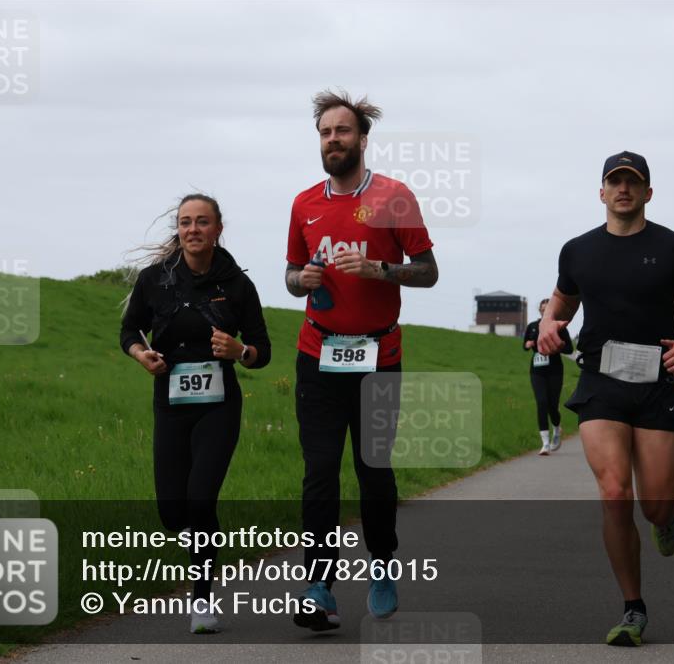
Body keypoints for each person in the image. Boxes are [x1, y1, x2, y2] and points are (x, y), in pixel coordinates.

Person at [537, 151, 674, 647]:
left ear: (647, 192)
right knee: (615, 493)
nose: (623, 189)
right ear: (601, 192)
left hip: (659, 382)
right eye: (614, 182)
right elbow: (563, 302)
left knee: (654, 507)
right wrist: (552, 326)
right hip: (601, 382)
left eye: (632, 182)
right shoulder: (577, 250)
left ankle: (668, 513)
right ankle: (633, 608)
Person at [284, 90, 438, 630]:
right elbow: (290, 274)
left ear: (362, 139)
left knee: (373, 471)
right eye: (325, 132)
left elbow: (428, 271)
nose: (333, 140)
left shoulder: (394, 197)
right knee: (320, 471)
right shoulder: (305, 203)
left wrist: (379, 269)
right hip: (318, 353)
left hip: (378, 356)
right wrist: (299, 280)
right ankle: (318, 586)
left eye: (342, 131)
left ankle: (381, 565)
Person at [120, 193, 272, 634]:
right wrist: (140, 353)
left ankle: (202, 599)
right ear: (178, 230)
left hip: (218, 406)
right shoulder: (155, 280)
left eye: (202, 222)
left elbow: (262, 350)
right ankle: (198, 547)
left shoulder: (237, 285)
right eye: (185, 222)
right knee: (173, 511)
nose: (193, 229)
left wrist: (240, 350)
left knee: (201, 498)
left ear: (218, 229)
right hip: (170, 401)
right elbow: (130, 329)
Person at [523, 298, 574, 455]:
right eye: (542, 309)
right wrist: (528, 344)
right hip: (537, 370)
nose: (544, 311)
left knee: (552, 405)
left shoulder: (558, 327)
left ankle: (557, 429)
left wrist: (557, 345)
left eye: (547, 309)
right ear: (539, 310)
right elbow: (524, 344)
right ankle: (545, 442)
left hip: (554, 370)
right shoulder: (532, 326)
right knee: (541, 402)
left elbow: (569, 349)